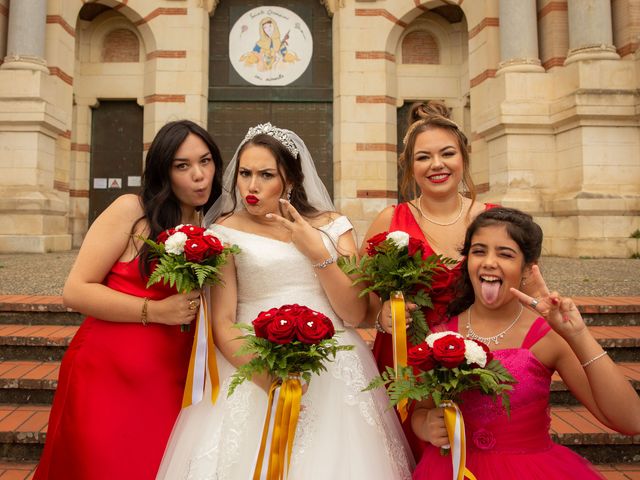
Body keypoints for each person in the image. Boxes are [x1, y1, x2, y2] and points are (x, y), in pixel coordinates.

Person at [157, 122, 414, 479]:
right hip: (254, 366)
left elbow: (355, 313)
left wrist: (316, 253)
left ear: (290, 180)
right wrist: (269, 379)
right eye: (245, 173)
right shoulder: (223, 233)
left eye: (266, 174)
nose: (251, 186)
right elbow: (223, 322)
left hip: (334, 366)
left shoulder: (333, 226)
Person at [33, 120, 224, 480]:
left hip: (172, 377)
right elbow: (76, 289)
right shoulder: (131, 210)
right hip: (107, 373)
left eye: (206, 161)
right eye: (182, 166)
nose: (199, 175)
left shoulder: (213, 227)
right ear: (163, 170)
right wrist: (155, 310)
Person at [412, 207, 640, 479]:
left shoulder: (547, 337)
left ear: (527, 270)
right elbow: (420, 410)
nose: (489, 262)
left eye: (505, 254)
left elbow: (630, 420)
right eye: (479, 251)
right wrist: (426, 425)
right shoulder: (440, 336)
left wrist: (578, 335)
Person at [360, 100, 498, 457]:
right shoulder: (389, 220)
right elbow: (358, 301)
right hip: (405, 366)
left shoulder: (495, 220)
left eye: (447, 153)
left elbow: (521, 292)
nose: (436, 165)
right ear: (409, 166)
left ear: (464, 158)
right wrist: (380, 316)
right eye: (423, 157)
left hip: (477, 359)